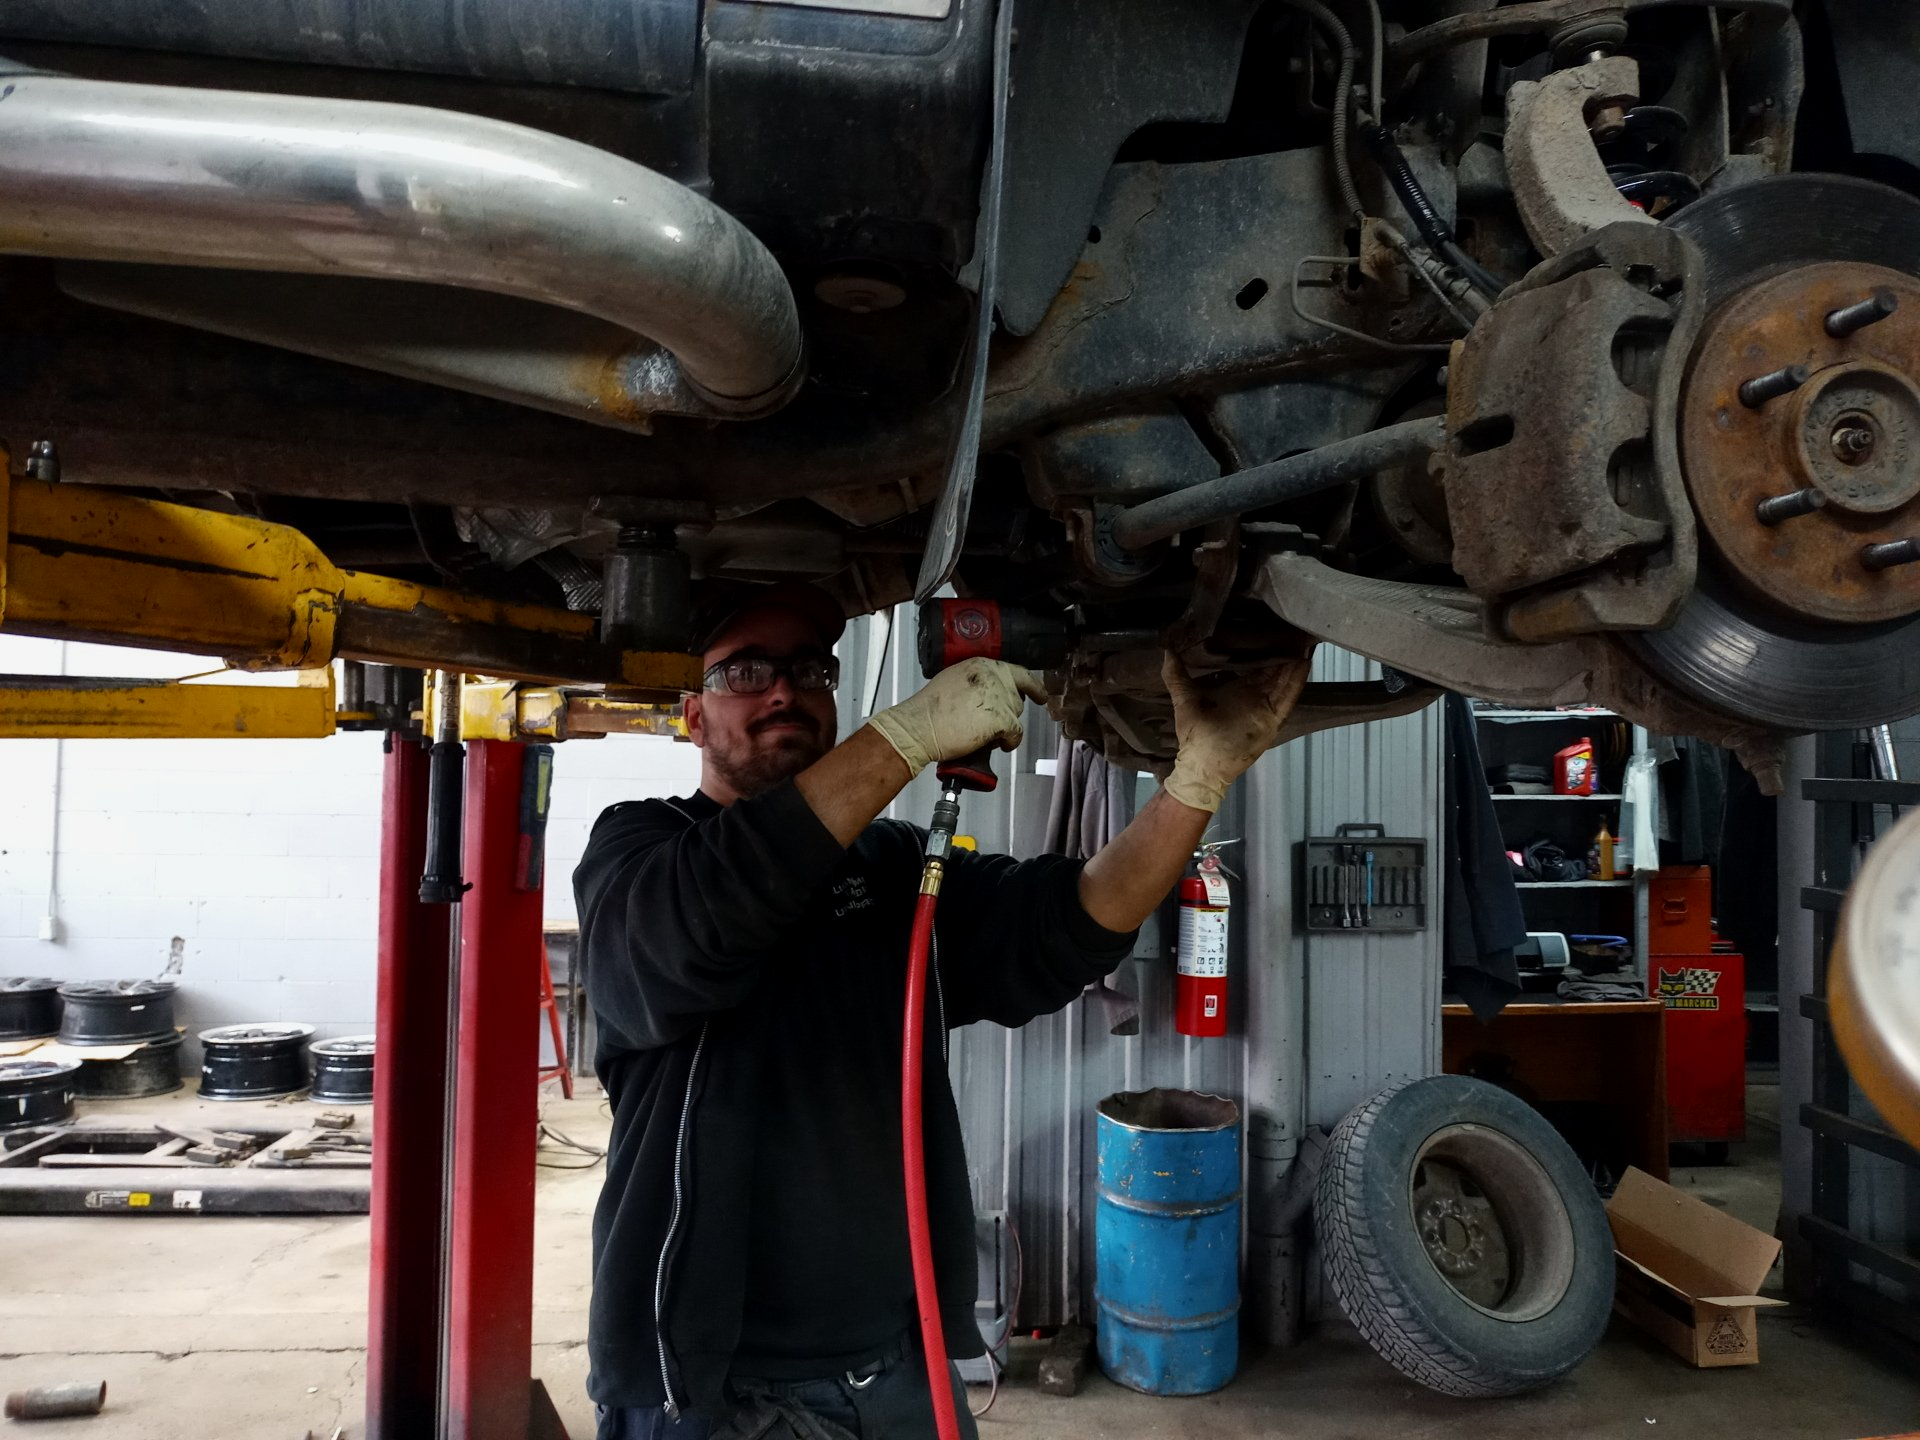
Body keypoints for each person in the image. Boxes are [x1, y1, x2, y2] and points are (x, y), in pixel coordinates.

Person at [577, 583, 1309, 1440]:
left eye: (809, 669)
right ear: (695, 718)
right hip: (703, 1384)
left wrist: (1198, 779)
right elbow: (704, 917)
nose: (783, 690)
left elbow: (1065, 925)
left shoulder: (889, 868)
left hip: (894, 1367)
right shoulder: (637, 848)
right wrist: (906, 735)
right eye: (746, 671)